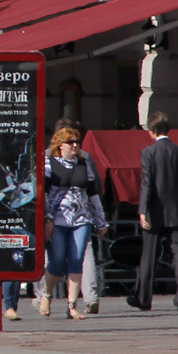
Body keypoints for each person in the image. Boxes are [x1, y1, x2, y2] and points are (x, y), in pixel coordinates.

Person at [129, 111, 178, 313]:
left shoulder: (148, 153)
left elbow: (147, 184)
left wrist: (142, 210)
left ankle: (144, 298)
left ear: (151, 131)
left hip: (154, 210)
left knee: (148, 254)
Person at [38, 127, 107, 320]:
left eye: (77, 142)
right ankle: (47, 294)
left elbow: (93, 194)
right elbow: (43, 194)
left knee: (77, 260)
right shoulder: (49, 163)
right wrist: (47, 218)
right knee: (57, 261)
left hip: (81, 219)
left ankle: (72, 305)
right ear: (61, 146)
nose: (75, 145)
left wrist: (101, 221)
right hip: (58, 219)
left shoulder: (84, 163)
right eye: (71, 142)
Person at [55, 117, 102, 314]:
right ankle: (90, 297)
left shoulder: (46, 158)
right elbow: (96, 187)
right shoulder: (86, 157)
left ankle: (43, 296)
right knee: (84, 255)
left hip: (62, 217)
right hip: (79, 214)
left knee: (52, 256)